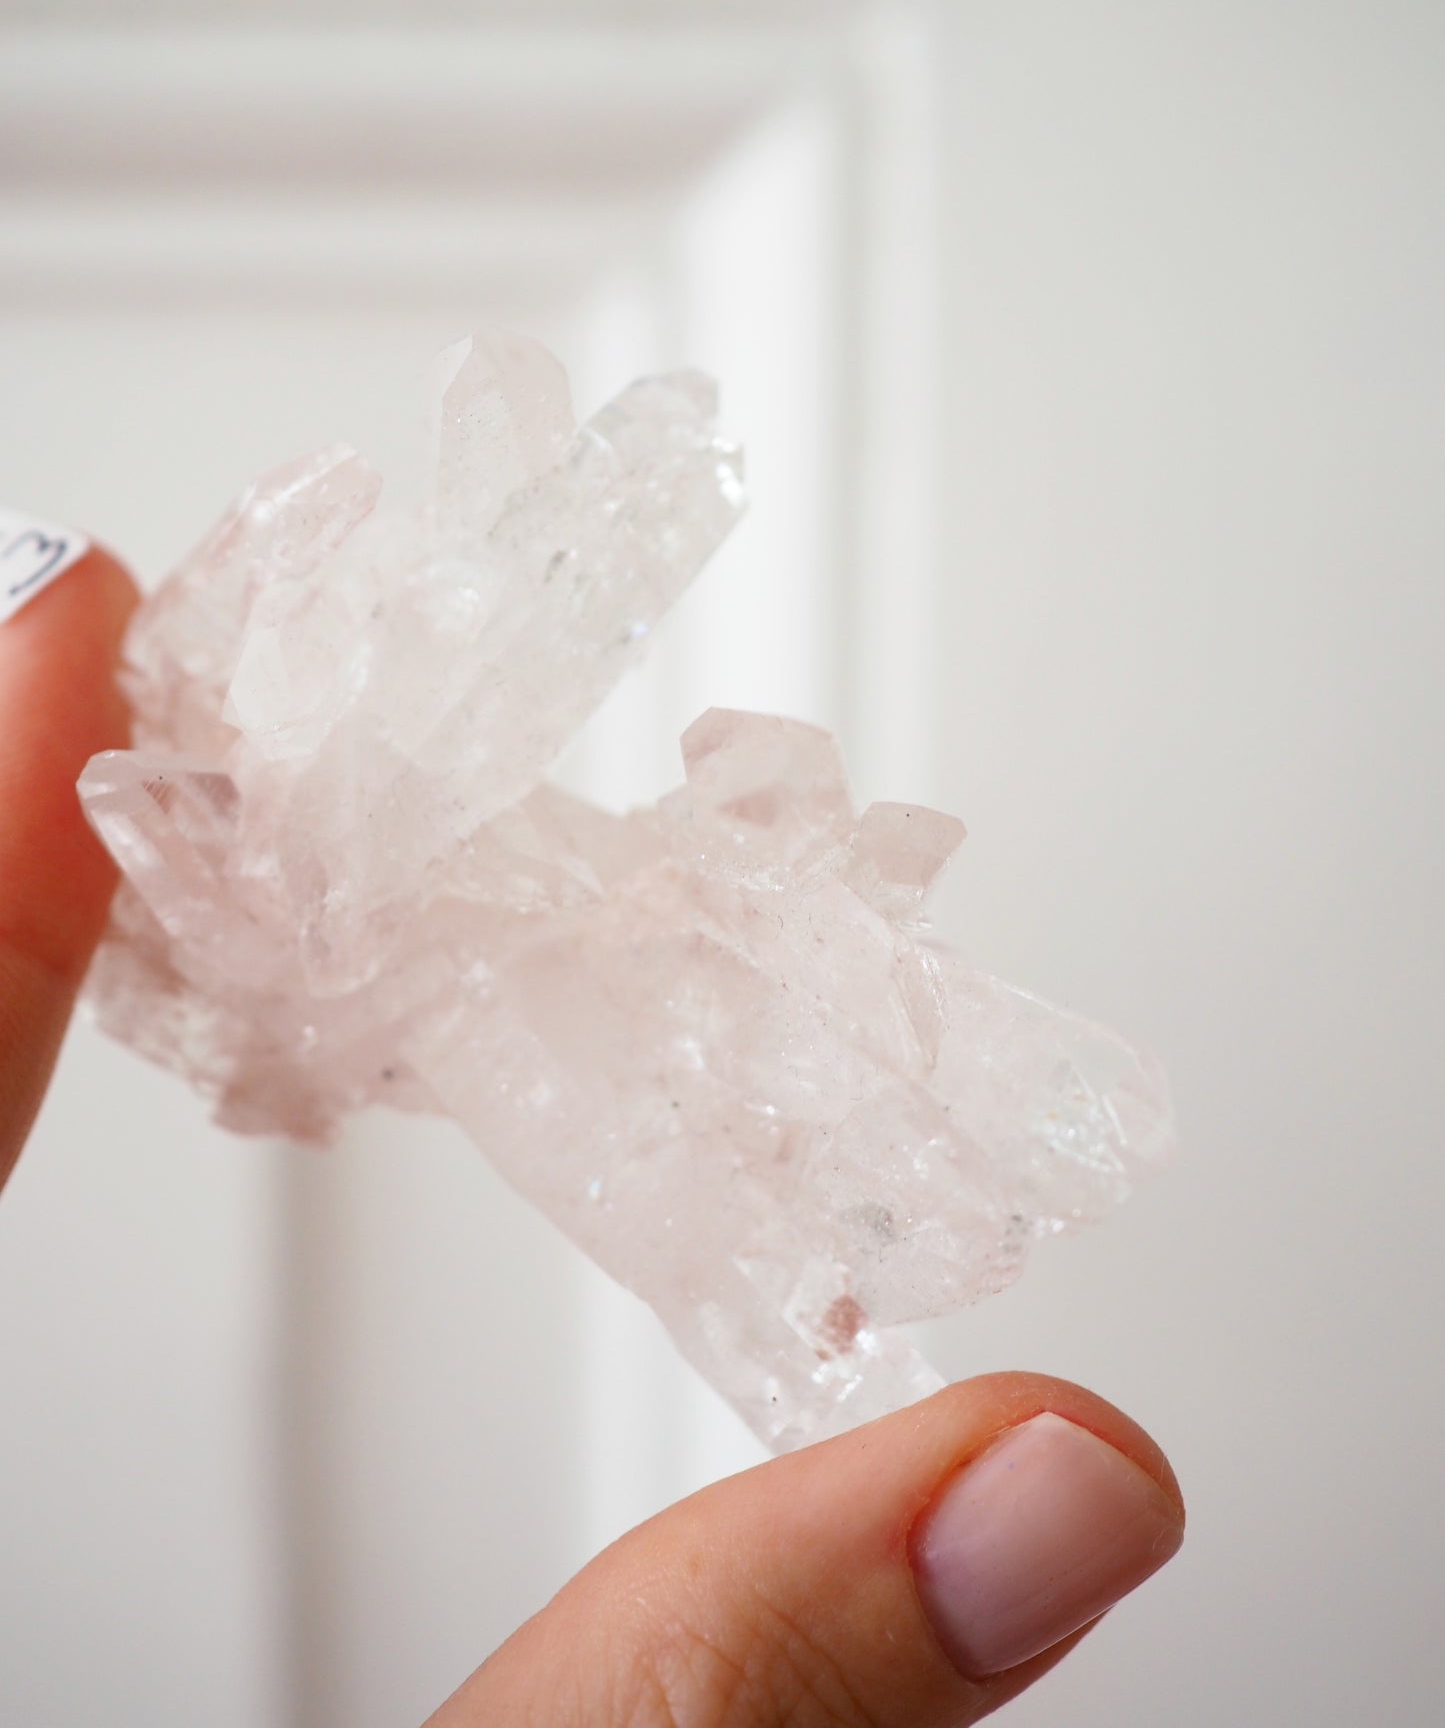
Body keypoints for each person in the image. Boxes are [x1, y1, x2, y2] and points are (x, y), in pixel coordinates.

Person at [1, 547, 1184, 1728]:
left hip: (634, 968)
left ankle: (945, 1198)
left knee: (747, 1182)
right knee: (708, 1248)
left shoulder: (465, 834)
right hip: (549, 1049)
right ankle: (877, 1350)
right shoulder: (290, 863)